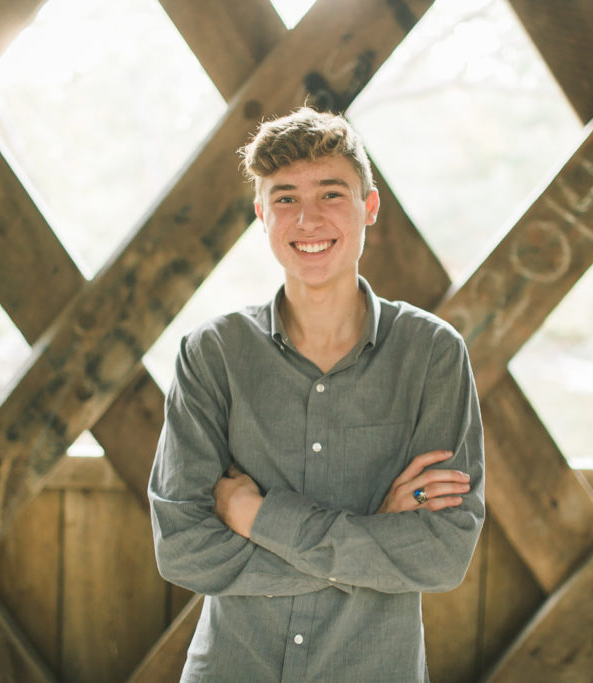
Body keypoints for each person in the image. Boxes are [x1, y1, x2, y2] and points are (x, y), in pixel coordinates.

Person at [148, 107, 485, 682]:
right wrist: (374, 537)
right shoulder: (213, 355)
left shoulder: (432, 354)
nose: (307, 219)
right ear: (261, 213)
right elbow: (183, 548)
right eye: (284, 199)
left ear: (368, 207)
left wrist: (256, 517)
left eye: (331, 194)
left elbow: (441, 552)